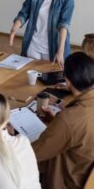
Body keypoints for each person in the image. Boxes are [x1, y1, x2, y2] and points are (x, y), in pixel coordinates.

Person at [32, 52, 94, 189]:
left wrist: (10, 136)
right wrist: (56, 122)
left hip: (67, 181)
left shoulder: (69, 119)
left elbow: (34, 153)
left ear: (67, 80)